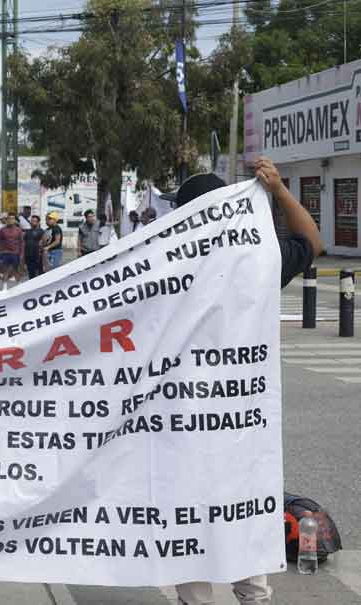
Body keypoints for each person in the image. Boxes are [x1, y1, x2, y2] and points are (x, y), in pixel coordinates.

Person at [169, 159, 322, 605]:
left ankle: (196, 598)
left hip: (185, 417)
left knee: (189, 510)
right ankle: (253, 594)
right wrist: (278, 191)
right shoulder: (257, 262)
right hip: (242, 415)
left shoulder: (168, 270)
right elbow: (312, 241)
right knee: (244, 501)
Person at [0, 214, 25, 290]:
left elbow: (21, 242)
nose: (10, 220)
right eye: (9, 219)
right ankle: (4, 287)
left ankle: (18, 285)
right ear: (6, 220)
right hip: (5, 253)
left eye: (12, 219)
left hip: (16, 253)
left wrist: (21, 254)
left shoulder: (18, 230)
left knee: (16, 270)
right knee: (5, 270)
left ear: (15, 220)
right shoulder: (2, 230)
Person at [23, 214, 46, 279]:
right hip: (28, 255)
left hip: (37, 256)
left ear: (38, 222)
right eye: (32, 221)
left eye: (35, 221)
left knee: (39, 275)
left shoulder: (41, 232)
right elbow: (24, 243)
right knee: (31, 274)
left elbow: (43, 244)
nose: (33, 222)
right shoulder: (27, 232)